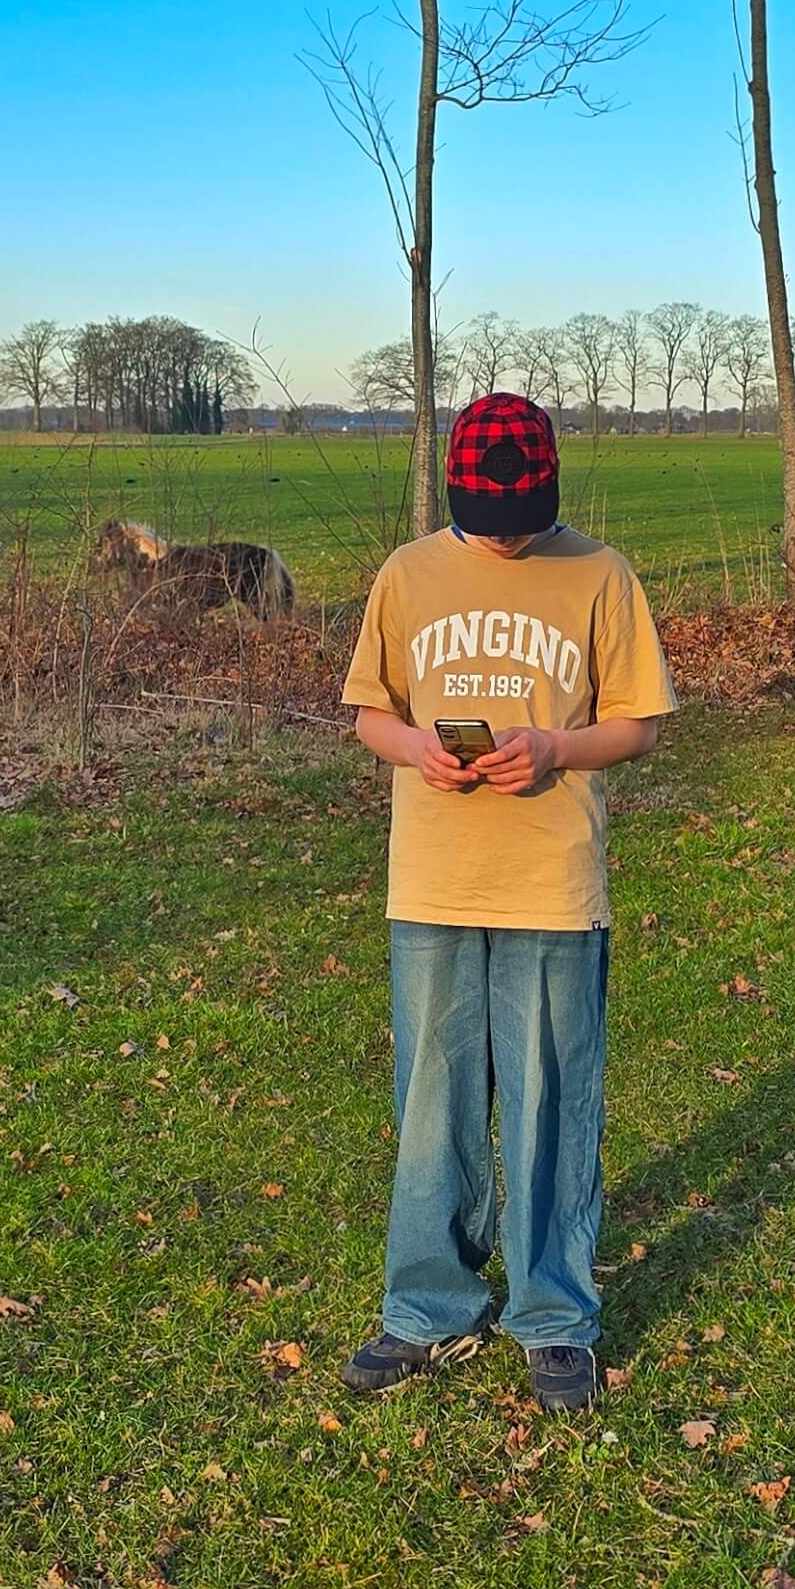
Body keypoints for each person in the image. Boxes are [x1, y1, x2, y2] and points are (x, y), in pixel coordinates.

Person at [337, 392, 677, 1414]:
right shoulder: (406, 574)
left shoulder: (602, 574)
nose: (503, 538)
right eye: (487, 522)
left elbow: (638, 723)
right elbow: (369, 712)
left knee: (548, 1104)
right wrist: (418, 749)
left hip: (551, 883)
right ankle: (427, 1306)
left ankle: (553, 1317)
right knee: (431, 1103)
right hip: (432, 881)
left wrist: (557, 747)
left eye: (520, 521)